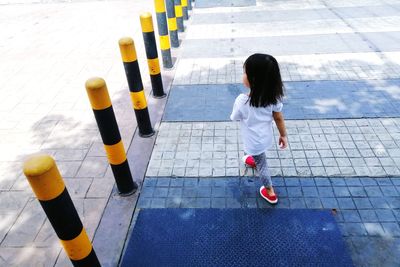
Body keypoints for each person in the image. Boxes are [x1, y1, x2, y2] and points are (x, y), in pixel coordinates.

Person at [230, 53, 288, 204]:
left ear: (253, 79)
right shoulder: (273, 98)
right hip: (265, 137)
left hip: (253, 142)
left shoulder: (242, 101)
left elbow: (235, 117)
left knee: (263, 165)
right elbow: (278, 118)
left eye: (245, 72)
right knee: (259, 155)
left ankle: (270, 191)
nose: (243, 75)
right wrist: (283, 135)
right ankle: (254, 159)